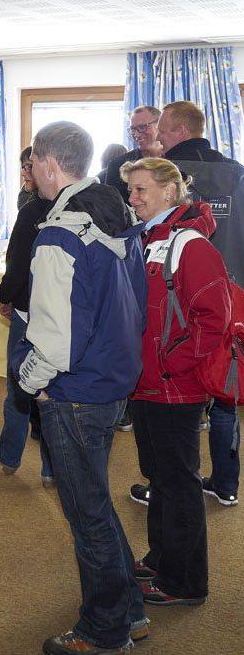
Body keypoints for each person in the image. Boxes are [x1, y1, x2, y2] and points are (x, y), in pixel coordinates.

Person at [14, 122, 148, 655]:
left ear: (48, 162)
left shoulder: (60, 234)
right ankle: (131, 611)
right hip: (114, 379)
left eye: (34, 163)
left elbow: (51, 336)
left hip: (75, 389)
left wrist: (31, 386)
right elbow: (133, 305)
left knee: (86, 515)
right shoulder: (119, 218)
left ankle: (104, 631)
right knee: (97, 503)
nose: (33, 174)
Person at [122, 157, 231, 607]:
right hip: (146, 383)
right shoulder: (148, 239)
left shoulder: (191, 245)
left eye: (142, 189)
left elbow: (215, 317)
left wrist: (173, 364)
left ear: (171, 192)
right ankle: (162, 558)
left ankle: (185, 582)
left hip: (173, 385)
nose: (133, 198)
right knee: (160, 478)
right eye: (131, 191)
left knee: (179, 481)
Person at [127, 101, 243, 508]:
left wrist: (170, 361)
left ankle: (172, 493)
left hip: (184, 322)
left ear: (174, 129)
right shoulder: (237, 172)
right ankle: (226, 483)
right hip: (233, 295)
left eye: (157, 129)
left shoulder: (163, 176)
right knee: (224, 391)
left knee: (175, 451)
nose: (154, 137)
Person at [0, 150, 53, 481]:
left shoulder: (32, 210)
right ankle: (52, 469)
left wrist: (6, 296)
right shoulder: (77, 207)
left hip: (30, 312)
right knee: (54, 392)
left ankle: (9, 454)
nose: (26, 171)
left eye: (30, 165)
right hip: (60, 314)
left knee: (20, 387)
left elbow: (18, 262)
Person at [102, 106, 163, 201]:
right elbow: (112, 207)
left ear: (160, 125)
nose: (137, 134)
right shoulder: (117, 165)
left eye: (143, 127)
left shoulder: (177, 159)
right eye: (133, 129)